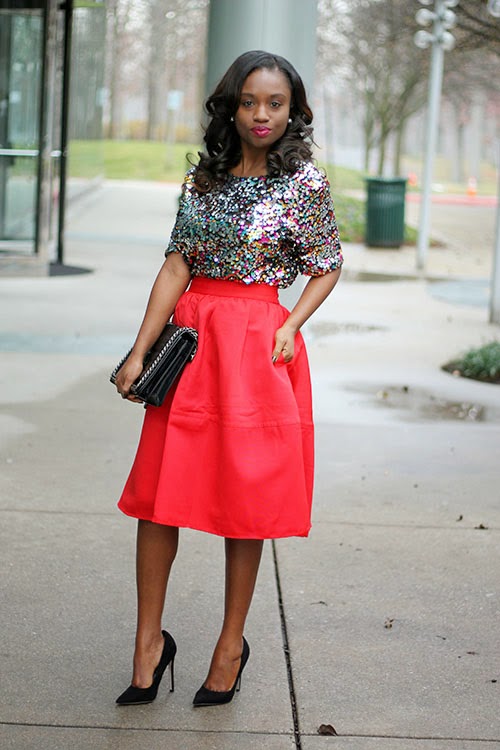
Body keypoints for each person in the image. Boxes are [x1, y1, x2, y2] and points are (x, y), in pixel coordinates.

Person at [114, 49, 343, 708]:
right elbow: (176, 266)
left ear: (293, 110)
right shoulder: (204, 180)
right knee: (159, 496)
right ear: (231, 107)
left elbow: (327, 263)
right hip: (193, 348)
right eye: (249, 102)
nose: (261, 114)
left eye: (275, 103)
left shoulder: (303, 183)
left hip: (258, 350)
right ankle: (148, 645)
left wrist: (292, 322)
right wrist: (139, 352)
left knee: (247, 500)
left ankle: (230, 646)